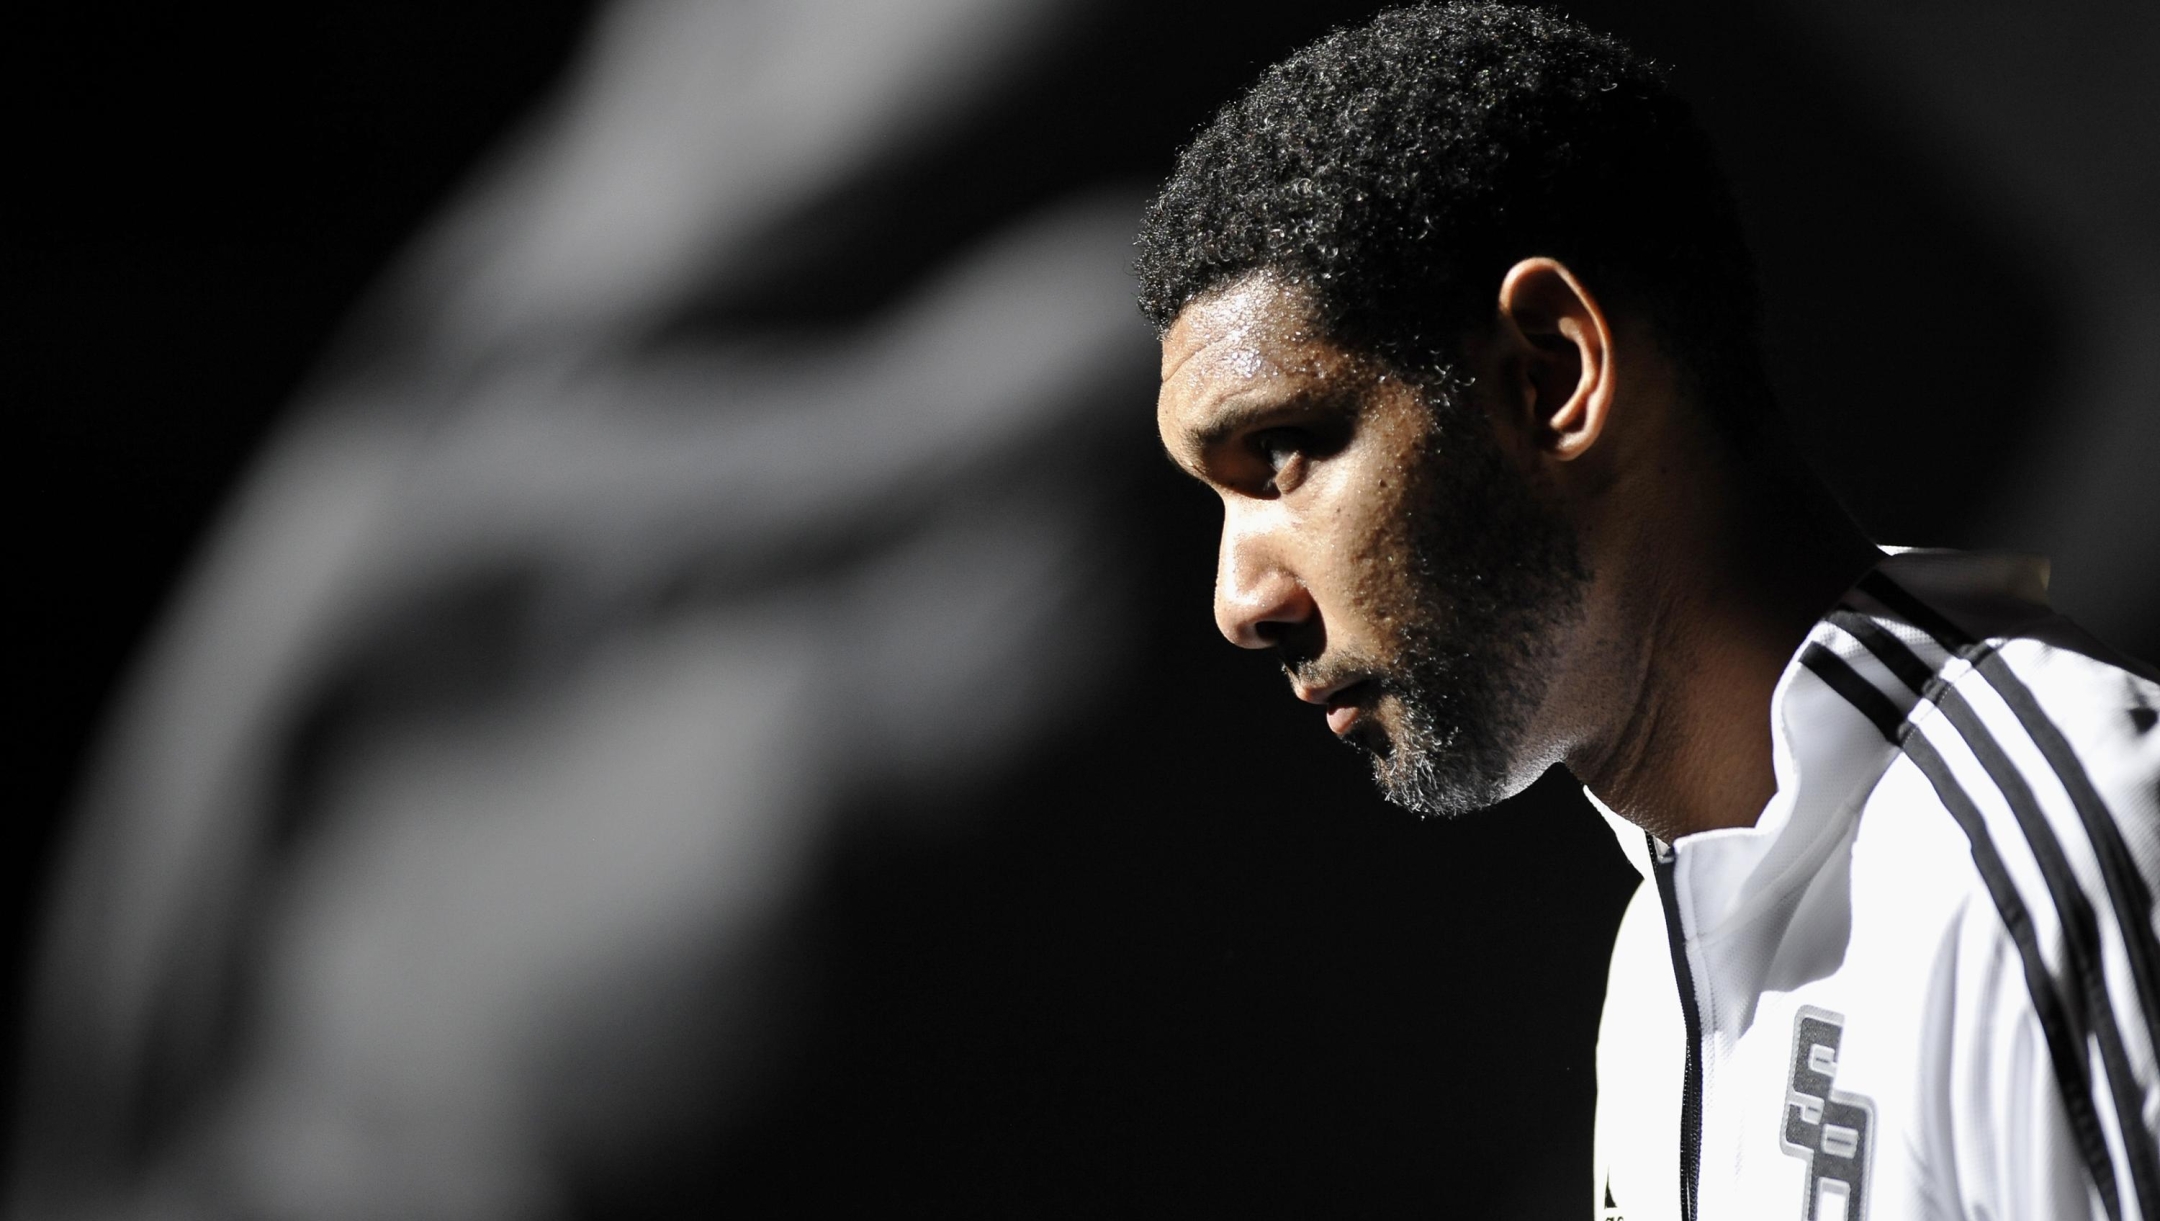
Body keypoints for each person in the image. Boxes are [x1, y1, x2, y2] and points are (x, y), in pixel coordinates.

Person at [1137, 5, 2160, 1219]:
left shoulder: (2059, 856)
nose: (1239, 601)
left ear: (1553, 374)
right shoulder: (1657, 976)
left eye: (1286, 453)